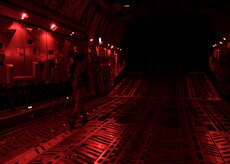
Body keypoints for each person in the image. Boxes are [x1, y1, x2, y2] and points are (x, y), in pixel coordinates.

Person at [68, 47, 89, 129]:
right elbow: (71, 75)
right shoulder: (75, 65)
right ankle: (85, 117)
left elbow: (84, 75)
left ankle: (73, 120)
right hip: (76, 86)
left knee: (78, 103)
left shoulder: (82, 65)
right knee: (80, 103)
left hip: (80, 86)